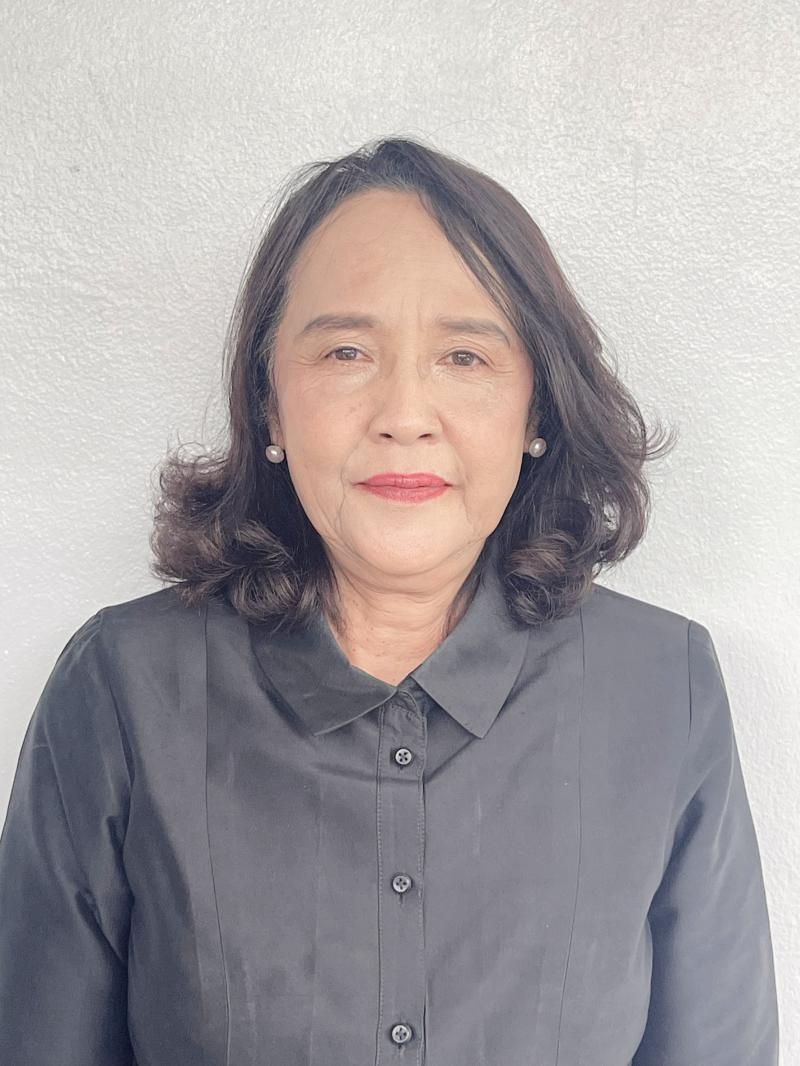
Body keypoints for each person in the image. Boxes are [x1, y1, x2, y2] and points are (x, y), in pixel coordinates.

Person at [0, 136, 779, 1065]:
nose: (405, 415)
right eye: (345, 351)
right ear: (269, 405)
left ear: (535, 411)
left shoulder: (662, 687)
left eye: (465, 356)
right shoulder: (123, 688)